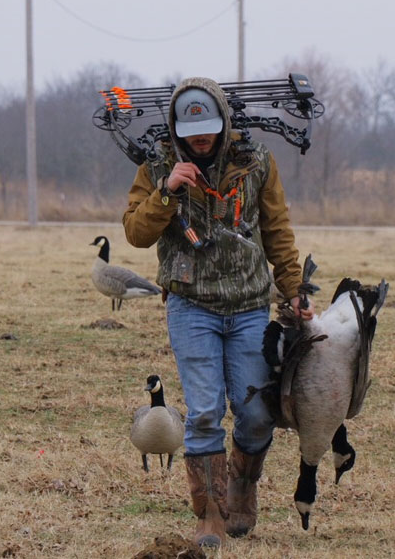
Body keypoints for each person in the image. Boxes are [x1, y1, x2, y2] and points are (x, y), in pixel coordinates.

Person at [123, 77, 314, 548]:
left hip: (249, 306)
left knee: (254, 414)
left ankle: (241, 488)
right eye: (191, 131)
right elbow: (135, 233)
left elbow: (278, 230)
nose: (201, 138)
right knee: (204, 412)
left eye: (208, 128)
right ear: (175, 127)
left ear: (224, 122)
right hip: (192, 307)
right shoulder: (156, 167)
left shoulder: (256, 163)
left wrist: (293, 290)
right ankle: (209, 513)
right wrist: (166, 192)